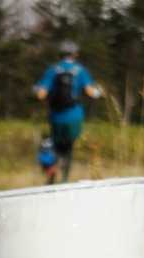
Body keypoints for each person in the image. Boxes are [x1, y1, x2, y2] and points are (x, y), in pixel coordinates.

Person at [33, 40, 102, 184]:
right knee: (68, 148)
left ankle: (51, 176)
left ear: (60, 54)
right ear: (75, 54)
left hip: (56, 116)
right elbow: (91, 92)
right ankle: (64, 179)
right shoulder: (80, 70)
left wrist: (35, 90)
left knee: (55, 146)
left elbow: (41, 94)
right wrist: (100, 92)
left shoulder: (53, 70)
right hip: (75, 116)